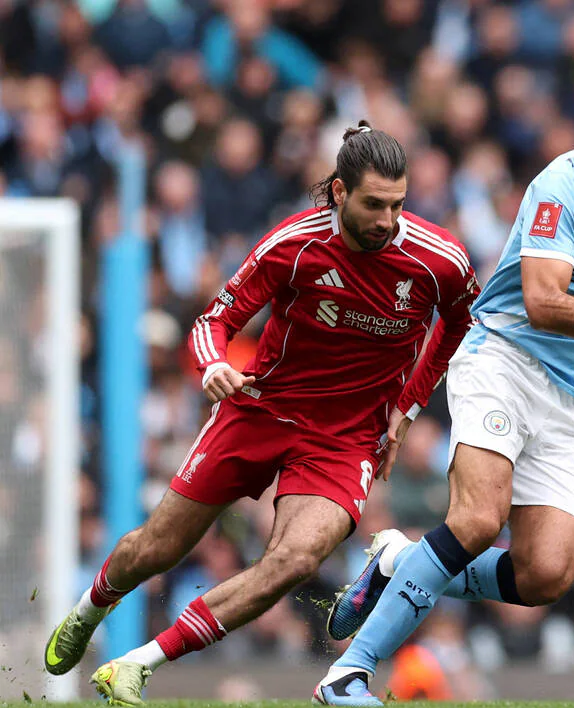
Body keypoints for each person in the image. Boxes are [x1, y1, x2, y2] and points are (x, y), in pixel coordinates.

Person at [311, 56, 574, 706]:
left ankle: (395, 564)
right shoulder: (565, 185)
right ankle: (348, 673)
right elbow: (543, 300)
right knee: (476, 519)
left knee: (545, 573)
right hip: (503, 358)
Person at [45, 122, 479, 707]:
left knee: (294, 560)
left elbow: (460, 323)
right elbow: (212, 322)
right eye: (374, 204)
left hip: (345, 439)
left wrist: (408, 405)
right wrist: (212, 367)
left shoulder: (438, 260)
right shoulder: (292, 245)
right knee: (156, 548)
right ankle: (88, 610)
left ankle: (137, 663)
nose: (386, 219)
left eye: (398, 205)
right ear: (339, 193)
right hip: (260, 410)